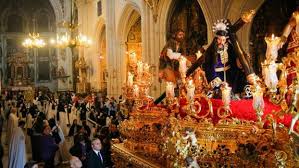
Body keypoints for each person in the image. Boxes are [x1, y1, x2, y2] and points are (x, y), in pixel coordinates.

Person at [202, 19, 257, 96]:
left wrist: (239, 60)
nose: (222, 42)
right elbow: (209, 66)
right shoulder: (211, 50)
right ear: (216, 39)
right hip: (216, 75)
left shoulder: (228, 46)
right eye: (219, 40)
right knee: (220, 91)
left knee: (239, 77)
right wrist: (215, 78)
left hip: (229, 72)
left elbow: (234, 57)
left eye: (223, 40)